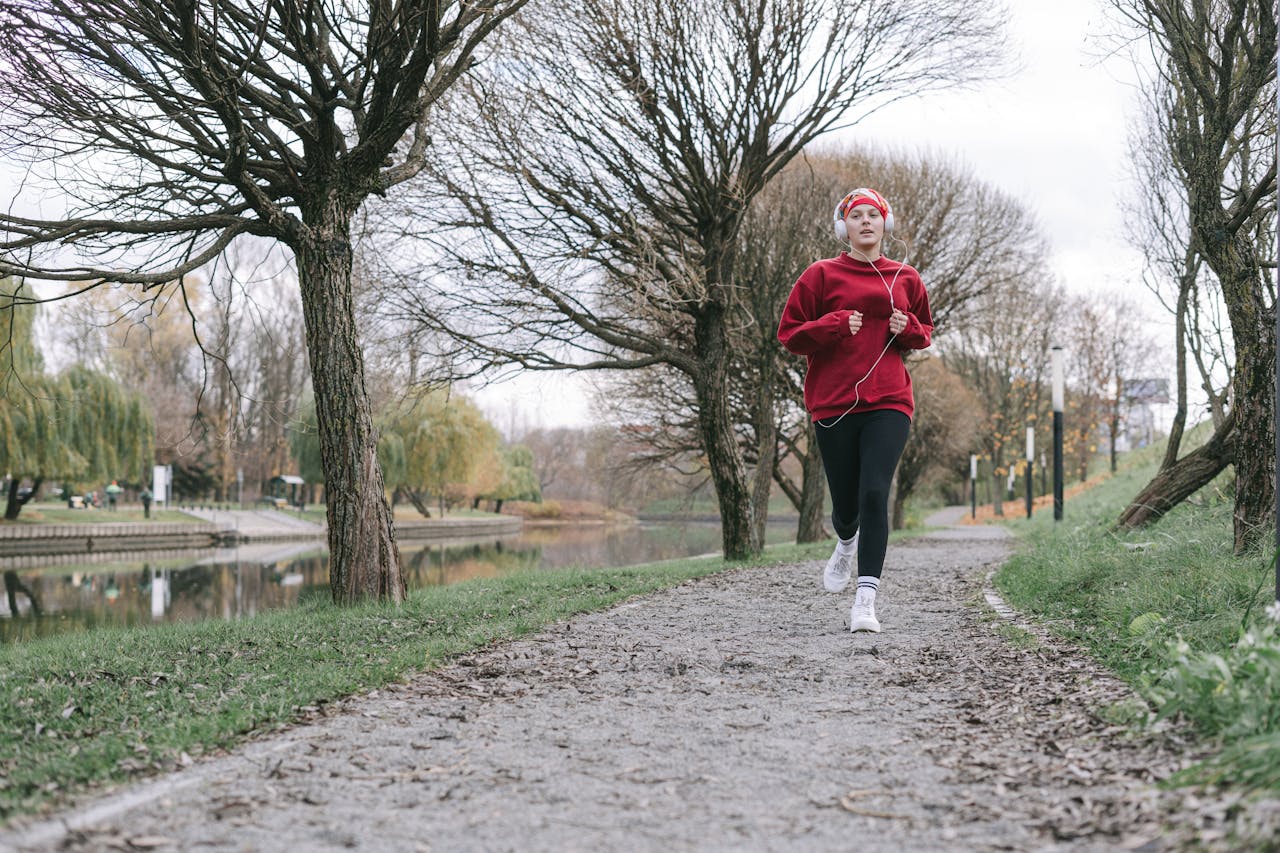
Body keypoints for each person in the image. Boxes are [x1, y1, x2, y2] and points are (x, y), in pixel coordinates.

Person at [777, 187, 933, 634]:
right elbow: (790, 335)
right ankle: (845, 541)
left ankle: (865, 601)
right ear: (842, 226)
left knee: (873, 494)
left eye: (873, 214)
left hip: (889, 401)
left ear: (886, 223)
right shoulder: (820, 275)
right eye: (856, 215)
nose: (865, 221)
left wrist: (909, 329)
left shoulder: (906, 277)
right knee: (846, 505)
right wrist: (833, 325)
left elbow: (924, 332)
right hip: (834, 403)